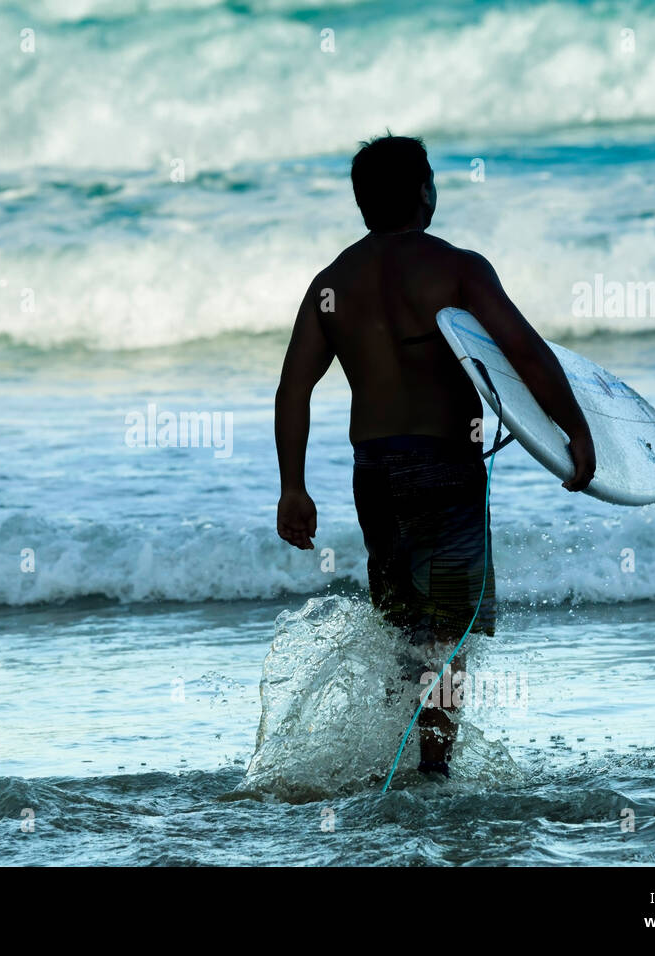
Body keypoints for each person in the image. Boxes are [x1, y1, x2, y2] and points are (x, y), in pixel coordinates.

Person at [274, 134, 595, 779]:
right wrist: (577, 431)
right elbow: (526, 353)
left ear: (362, 202)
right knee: (447, 636)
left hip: (375, 473)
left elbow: (294, 388)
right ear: (425, 191)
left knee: (401, 626)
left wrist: (293, 488)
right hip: (446, 472)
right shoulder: (457, 269)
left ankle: (388, 758)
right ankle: (430, 772)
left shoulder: (332, 284)